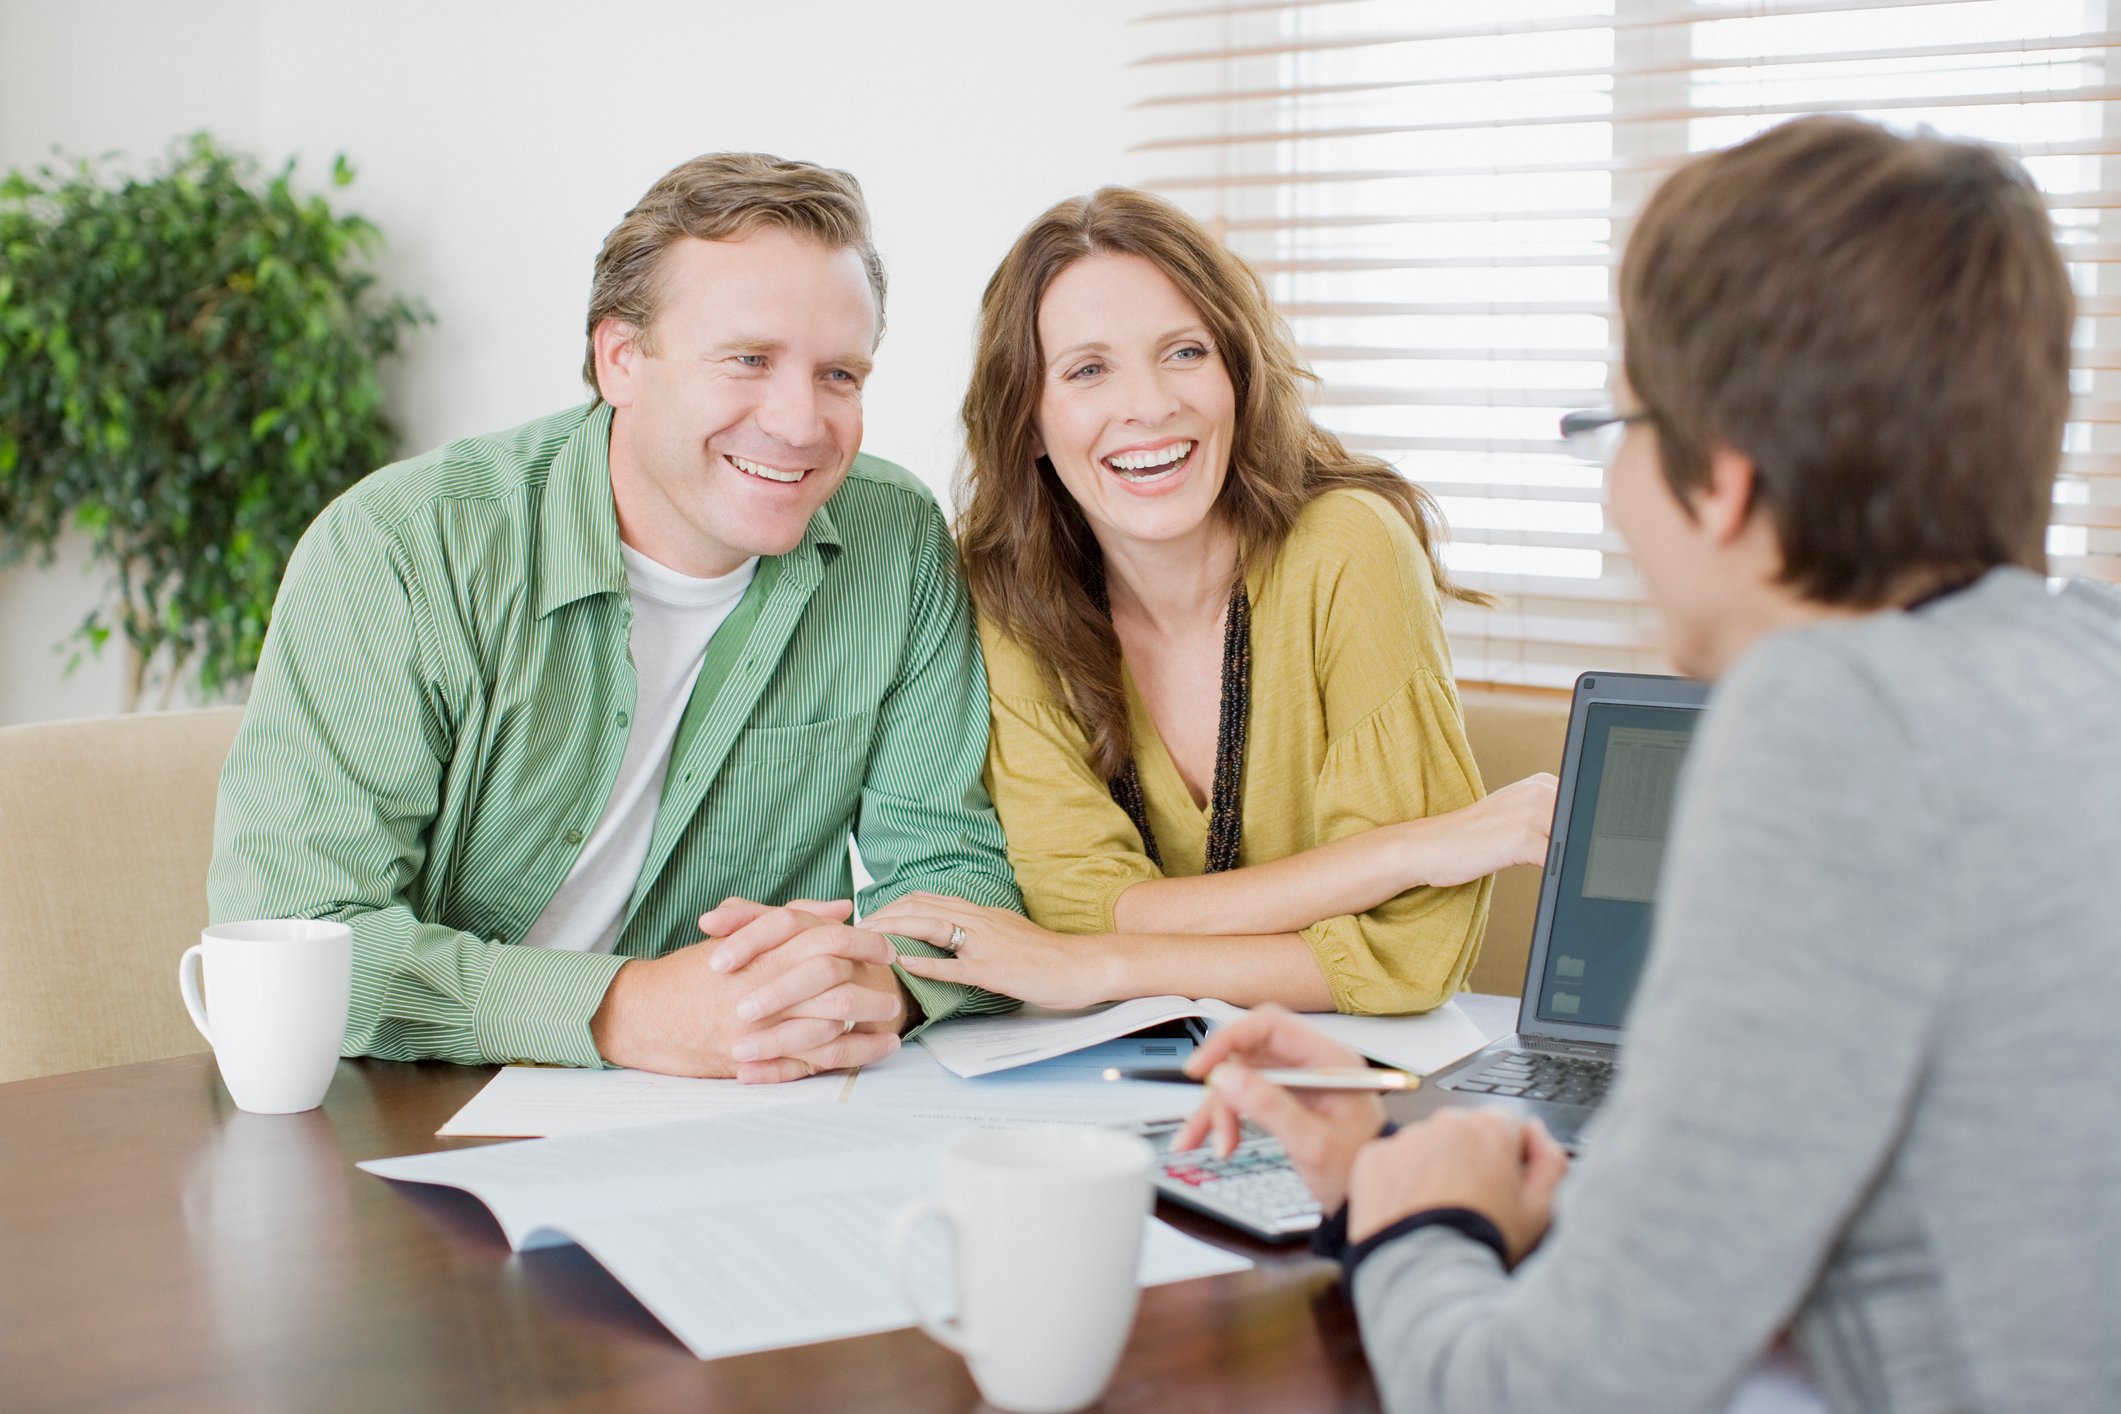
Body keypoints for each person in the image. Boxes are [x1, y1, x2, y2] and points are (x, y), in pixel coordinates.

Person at [1177, 115, 2121, 1412]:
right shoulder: (2086, 659)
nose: (1612, 490)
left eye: (1618, 426)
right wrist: (1389, 1169)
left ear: (1721, 482)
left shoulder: (1828, 722)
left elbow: (1534, 1391)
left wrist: (1411, 1227)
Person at [208, 152, 1022, 1083]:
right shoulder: (402, 548)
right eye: (748, 360)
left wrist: (880, 988)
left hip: (748, 1112)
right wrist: (625, 1011)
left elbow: (955, 868)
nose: (801, 423)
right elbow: (301, 937)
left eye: (839, 374)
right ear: (621, 359)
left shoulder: (896, 538)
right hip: (416, 1107)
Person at [865, 188, 1557, 1014]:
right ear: (1029, 424)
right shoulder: (1008, 594)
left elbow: (1405, 954)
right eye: (1088, 370)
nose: (1151, 405)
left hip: (1347, 1077)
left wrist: (1107, 967)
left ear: (1238, 374)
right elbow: (1076, 909)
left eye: (1185, 352)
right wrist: (1408, 850)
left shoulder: (1350, 548)